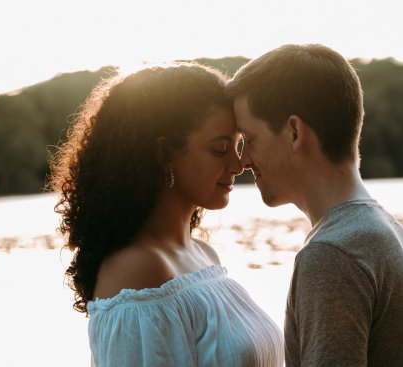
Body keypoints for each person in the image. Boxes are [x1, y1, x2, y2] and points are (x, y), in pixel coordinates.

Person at [49, 62, 284, 367]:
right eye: (219, 149)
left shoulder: (203, 254)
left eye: (238, 146)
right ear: (164, 155)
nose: (238, 165)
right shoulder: (137, 272)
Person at [226, 44, 403, 366]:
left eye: (250, 139)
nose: (242, 160)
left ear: (295, 132)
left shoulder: (332, 255)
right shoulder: (388, 232)